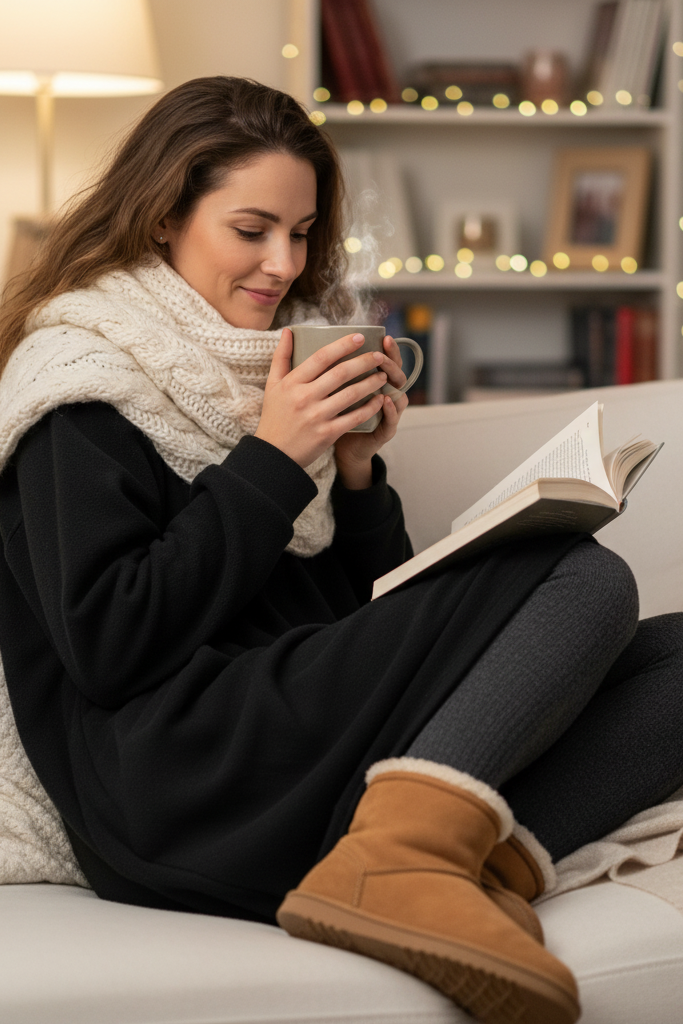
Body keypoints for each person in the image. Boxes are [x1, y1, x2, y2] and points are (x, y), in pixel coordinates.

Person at [0, 76, 681, 1024]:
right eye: (251, 229)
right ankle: (395, 861)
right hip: (169, 783)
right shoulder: (76, 386)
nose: (283, 262)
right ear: (162, 217)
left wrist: (354, 477)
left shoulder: (271, 371)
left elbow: (346, 628)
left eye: (303, 231)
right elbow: (110, 647)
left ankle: (443, 864)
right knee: (581, 577)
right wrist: (274, 458)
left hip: (284, 745)